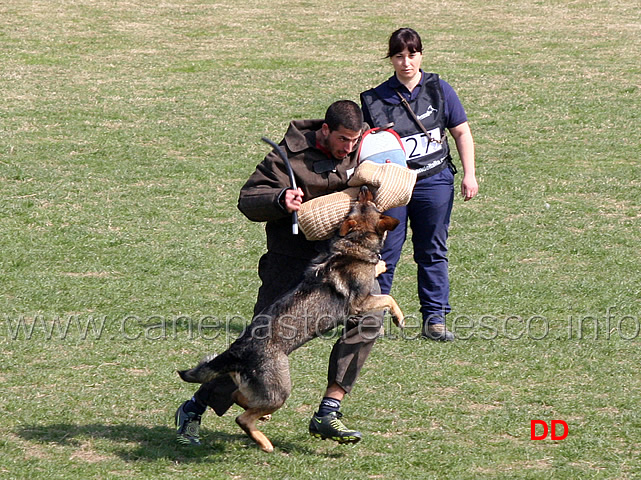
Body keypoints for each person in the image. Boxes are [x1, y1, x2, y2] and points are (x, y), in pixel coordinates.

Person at [175, 100, 382, 446]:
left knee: (368, 322)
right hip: (289, 270)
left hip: (337, 267)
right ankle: (194, 408)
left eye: (354, 141)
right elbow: (248, 198)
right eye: (344, 140)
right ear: (326, 131)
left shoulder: (357, 152)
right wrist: (279, 199)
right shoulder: (287, 156)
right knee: (256, 350)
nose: (349, 148)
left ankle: (329, 411)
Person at [360, 27, 478, 342]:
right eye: (399, 56)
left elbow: (462, 132)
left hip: (435, 181)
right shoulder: (375, 99)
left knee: (432, 250)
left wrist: (470, 174)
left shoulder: (440, 90)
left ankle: (435, 320)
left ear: (421, 54)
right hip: (392, 187)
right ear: (391, 59)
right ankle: (373, 317)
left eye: (411, 54)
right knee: (385, 250)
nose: (406, 62)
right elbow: (365, 148)